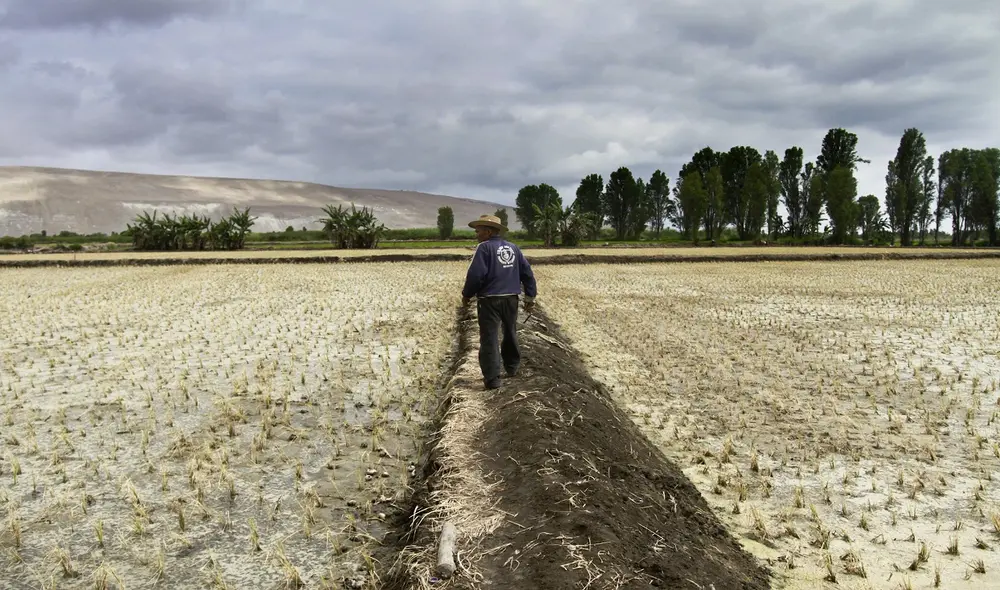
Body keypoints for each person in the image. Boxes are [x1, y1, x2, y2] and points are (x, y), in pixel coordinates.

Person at [461, 214, 537, 389]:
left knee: (489, 338)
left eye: (478, 231)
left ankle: (493, 379)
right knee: (510, 331)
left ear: (488, 232)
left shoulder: (484, 248)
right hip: (511, 298)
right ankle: (512, 367)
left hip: (489, 300)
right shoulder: (514, 248)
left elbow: (476, 275)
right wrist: (530, 297)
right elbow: (527, 273)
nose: (476, 234)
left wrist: (467, 294)